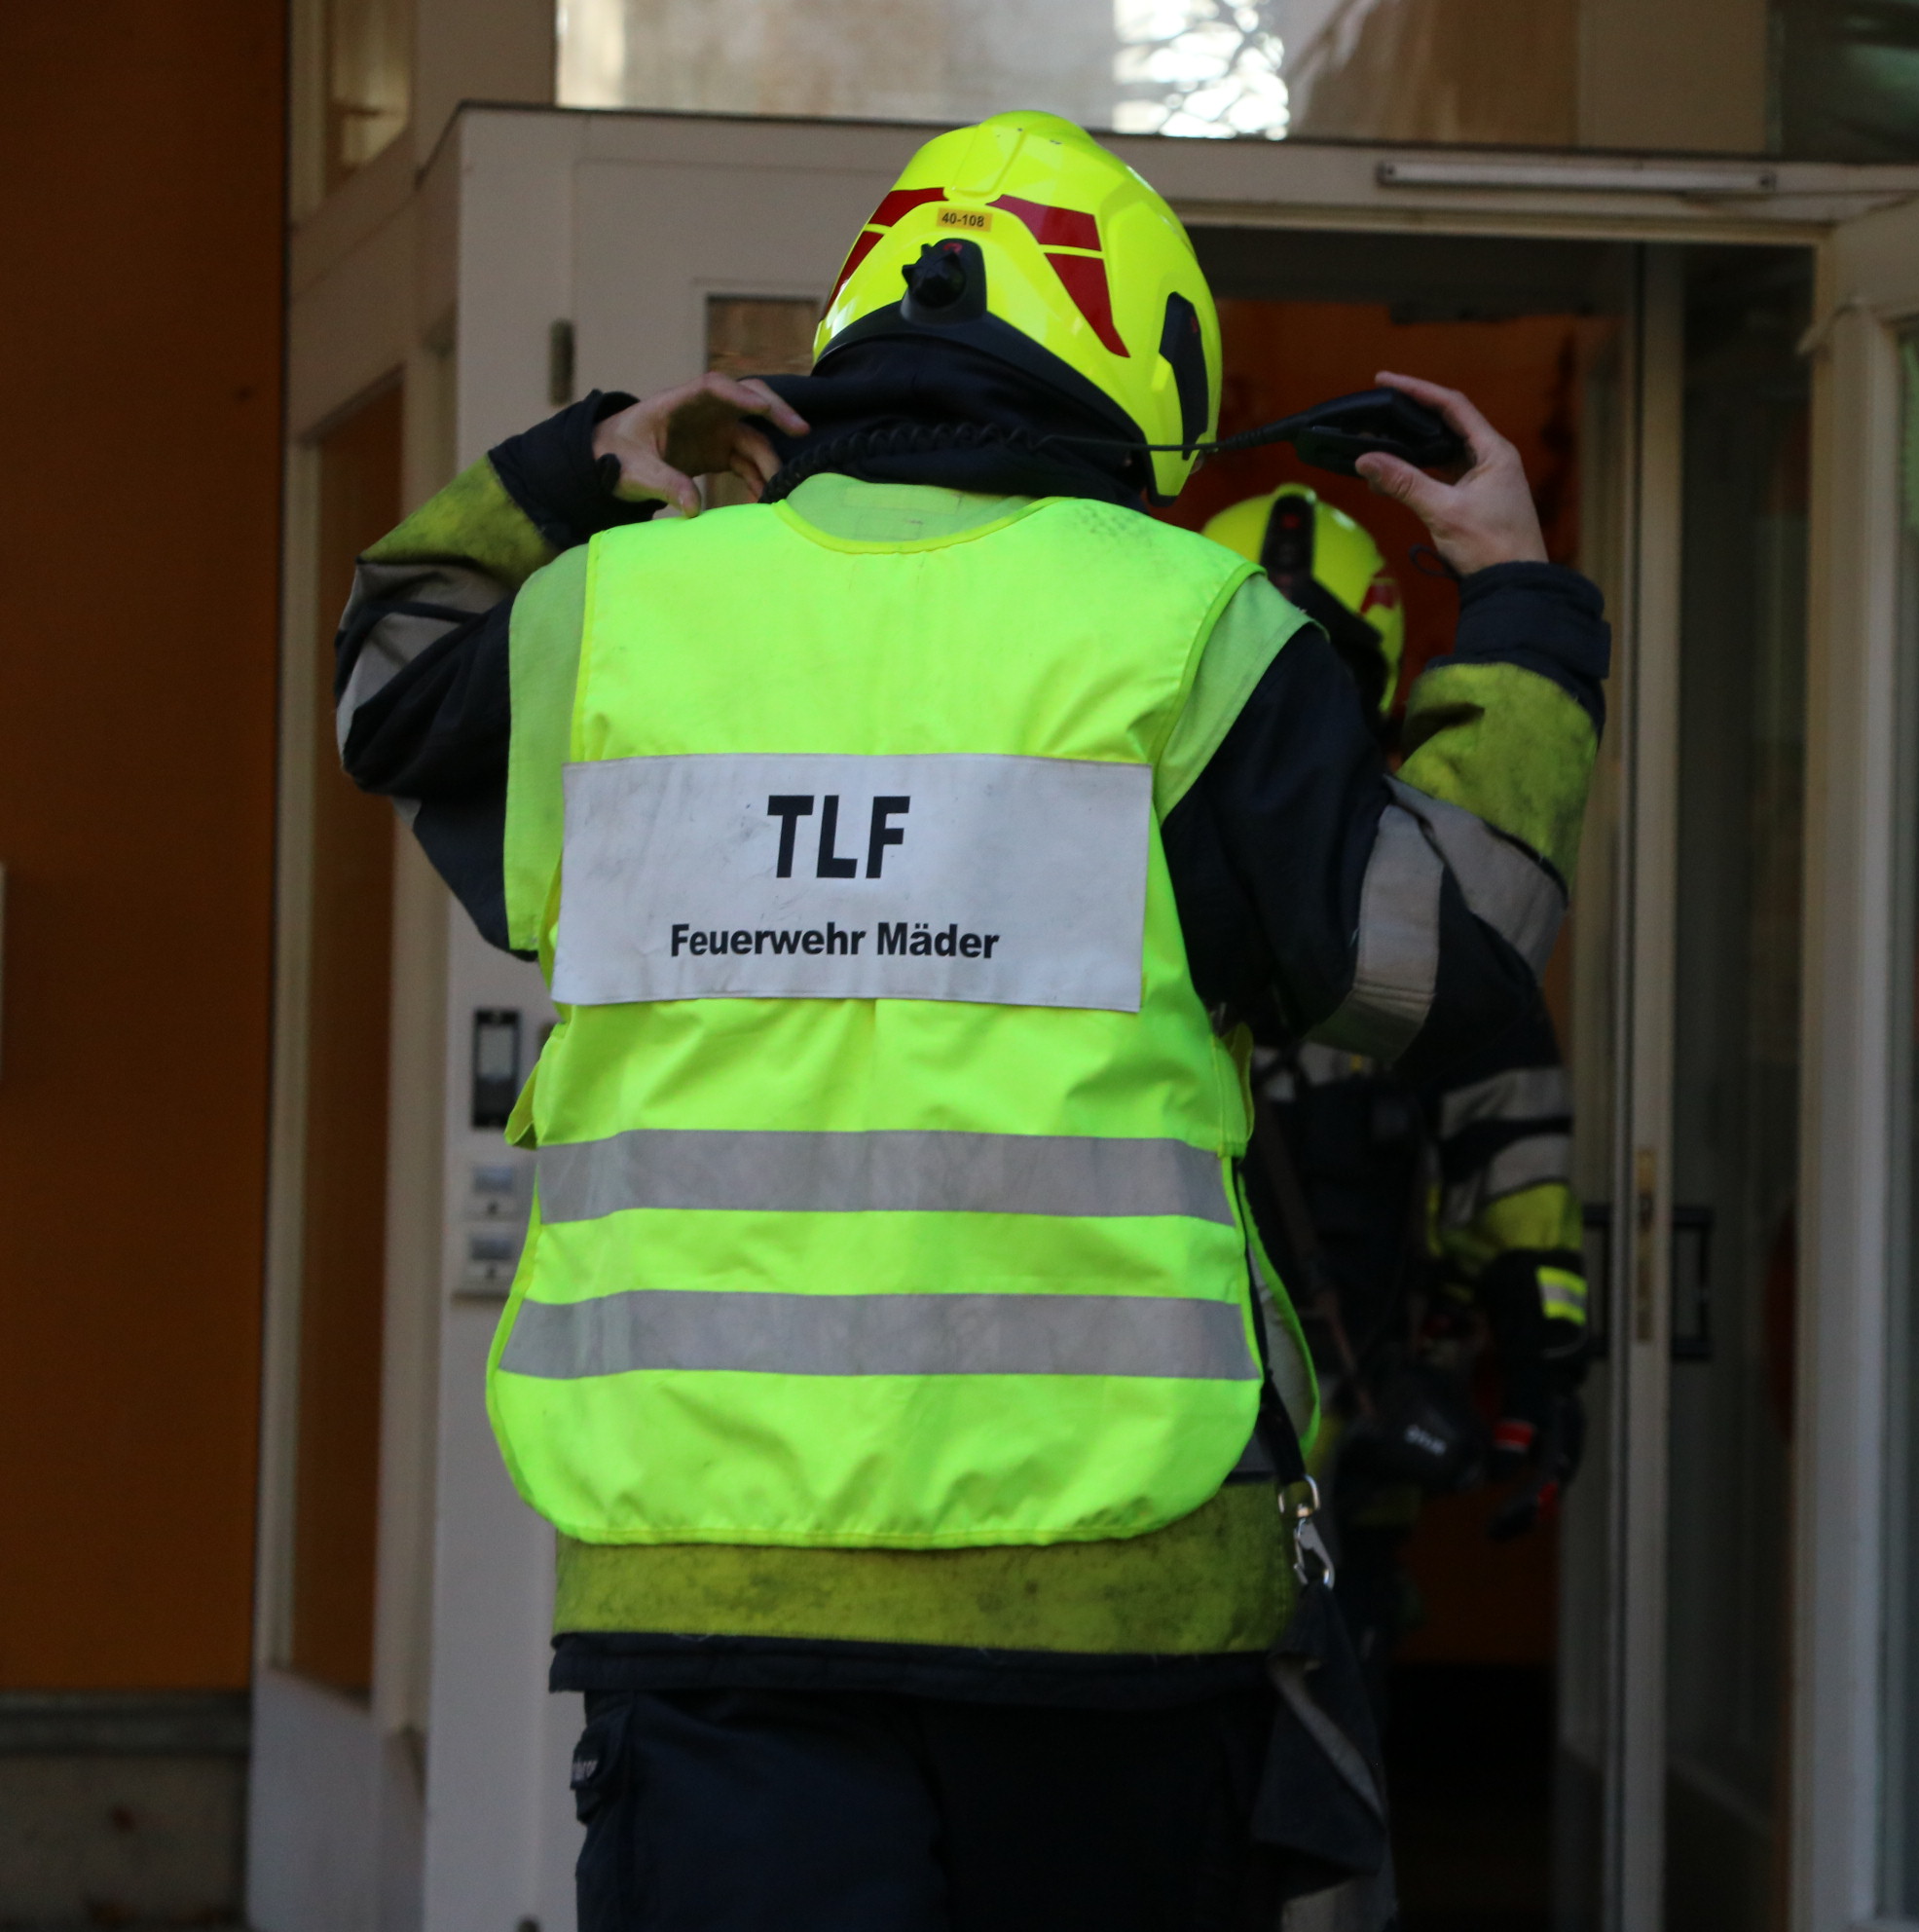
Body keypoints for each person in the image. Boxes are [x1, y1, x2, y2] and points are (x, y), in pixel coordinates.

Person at [330, 111, 1608, 1930]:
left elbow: (387, 685)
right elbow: (1447, 961)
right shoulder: (1194, 628)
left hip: (710, 1595)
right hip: (1109, 1597)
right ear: (1149, 359)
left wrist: (573, 466)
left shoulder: (611, 617)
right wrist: (1524, 613)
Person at [1199, 486, 1592, 1708]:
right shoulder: (1124, 863)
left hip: (1344, 1464)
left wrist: (1542, 1363)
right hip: (1164, 1464)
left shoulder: (1420, 904)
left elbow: (1515, 1163)